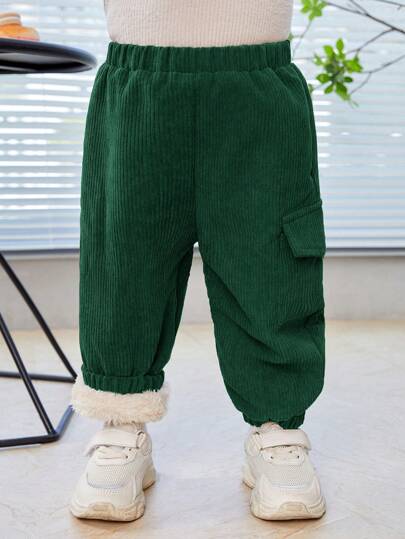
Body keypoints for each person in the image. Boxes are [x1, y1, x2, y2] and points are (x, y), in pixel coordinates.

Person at [70, 0, 327, 522]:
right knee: (124, 258)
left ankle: (277, 431)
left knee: (270, 260)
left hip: (256, 81)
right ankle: (121, 424)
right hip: (140, 79)